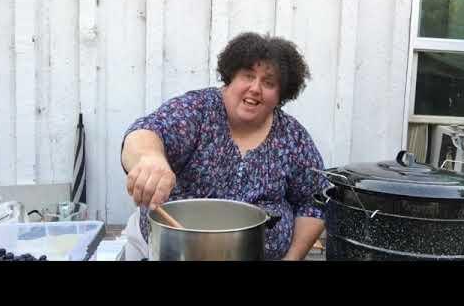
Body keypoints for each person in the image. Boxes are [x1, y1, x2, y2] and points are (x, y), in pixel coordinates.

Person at [120, 32, 329, 260]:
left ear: (281, 95)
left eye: (269, 83)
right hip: (170, 252)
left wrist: (292, 257)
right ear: (230, 78)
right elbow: (145, 133)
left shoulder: (292, 137)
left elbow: (314, 201)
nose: (255, 88)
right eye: (247, 76)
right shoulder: (198, 110)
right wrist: (149, 159)